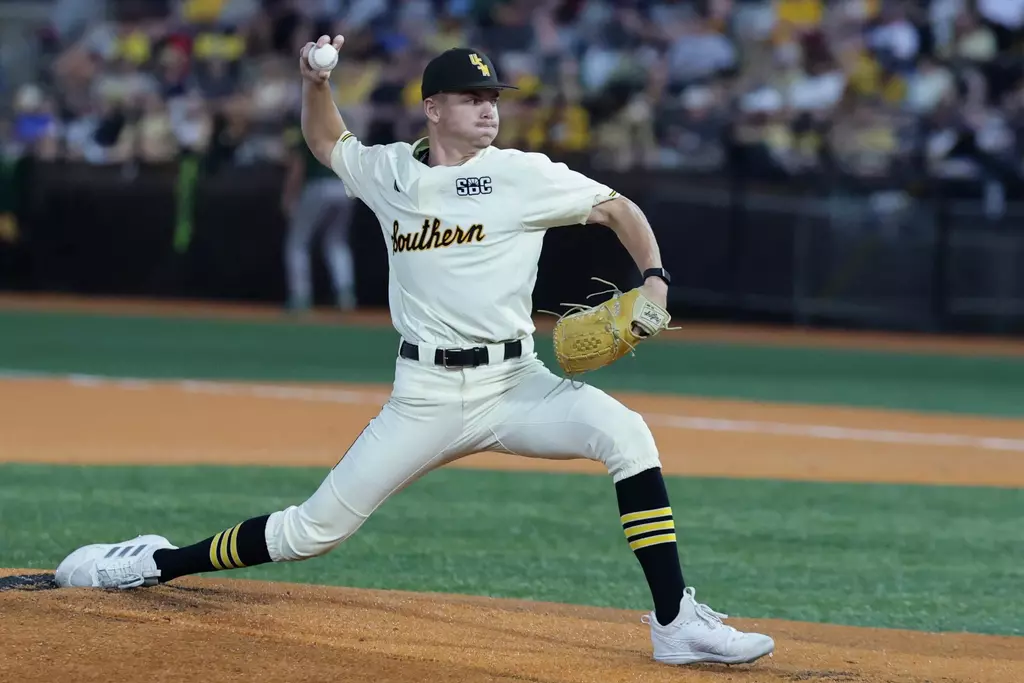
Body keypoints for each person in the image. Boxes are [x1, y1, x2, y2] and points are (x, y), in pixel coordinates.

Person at [53, 38, 775, 667]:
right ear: (433, 108)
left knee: (628, 434)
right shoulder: (391, 172)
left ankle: (675, 621)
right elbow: (325, 141)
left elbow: (618, 208)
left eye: (493, 97)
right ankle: (150, 560)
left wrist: (653, 281)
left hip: (517, 381)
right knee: (313, 531)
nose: (489, 109)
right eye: (471, 97)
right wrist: (314, 84)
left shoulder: (524, 174)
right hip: (425, 394)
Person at [281, 115, 358, 312]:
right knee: (336, 242)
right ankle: (345, 294)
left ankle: (300, 296)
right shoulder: (341, 128)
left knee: (297, 243)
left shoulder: (309, 125)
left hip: (318, 185)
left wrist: (289, 196)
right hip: (344, 188)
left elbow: (298, 167)